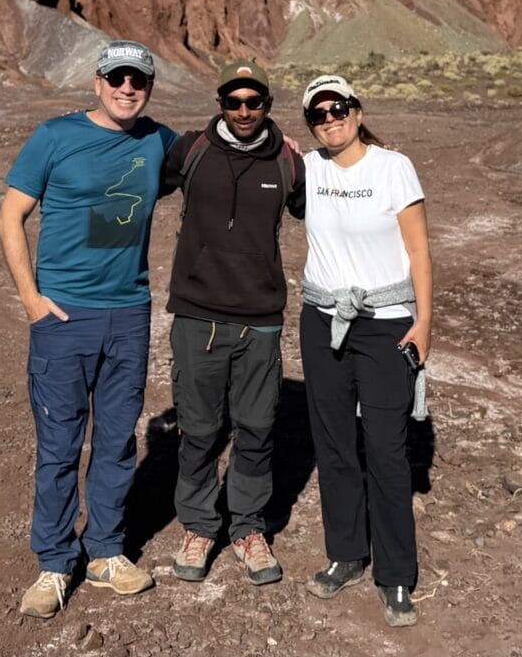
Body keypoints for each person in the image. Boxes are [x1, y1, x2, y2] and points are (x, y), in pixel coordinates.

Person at [0, 40, 177, 620]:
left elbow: (221, 155)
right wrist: (31, 300)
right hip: (63, 318)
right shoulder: (54, 137)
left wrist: (281, 144)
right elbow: (10, 215)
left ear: (149, 88)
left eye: (138, 80)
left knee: (118, 441)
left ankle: (104, 552)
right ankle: (55, 562)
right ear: (97, 82)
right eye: (117, 78)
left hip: (128, 315)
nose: (127, 88)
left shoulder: (159, 141)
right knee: (59, 447)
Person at [157, 59, 305, 586]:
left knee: (257, 429)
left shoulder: (288, 162)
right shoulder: (190, 150)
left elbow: (329, 211)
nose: (244, 111)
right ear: (220, 103)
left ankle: (247, 527)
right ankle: (199, 525)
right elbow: (130, 181)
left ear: (267, 105)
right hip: (197, 316)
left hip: (260, 321)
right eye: (234, 102)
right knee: (199, 430)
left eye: (254, 102)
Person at [294, 74, 432, 628]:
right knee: (333, 443)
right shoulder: (307, 168)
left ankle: (396, 574)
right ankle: (346, 553)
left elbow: (419, 250)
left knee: (386, 449)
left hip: (386, 323)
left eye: (339, 108)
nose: (330, 119)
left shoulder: (393, 167)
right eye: (318, 113)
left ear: (357, 110)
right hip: (322, 319)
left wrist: (425, 322)